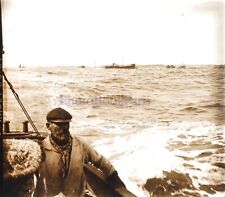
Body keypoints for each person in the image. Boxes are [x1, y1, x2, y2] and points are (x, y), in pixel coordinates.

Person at [35, 107, 126, 197]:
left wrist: (115, 179)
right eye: (59, 125)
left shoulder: (80, 145)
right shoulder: (40, 149)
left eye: (66, 124)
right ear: (48, 126)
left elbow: (101, 161)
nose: (64, 128)